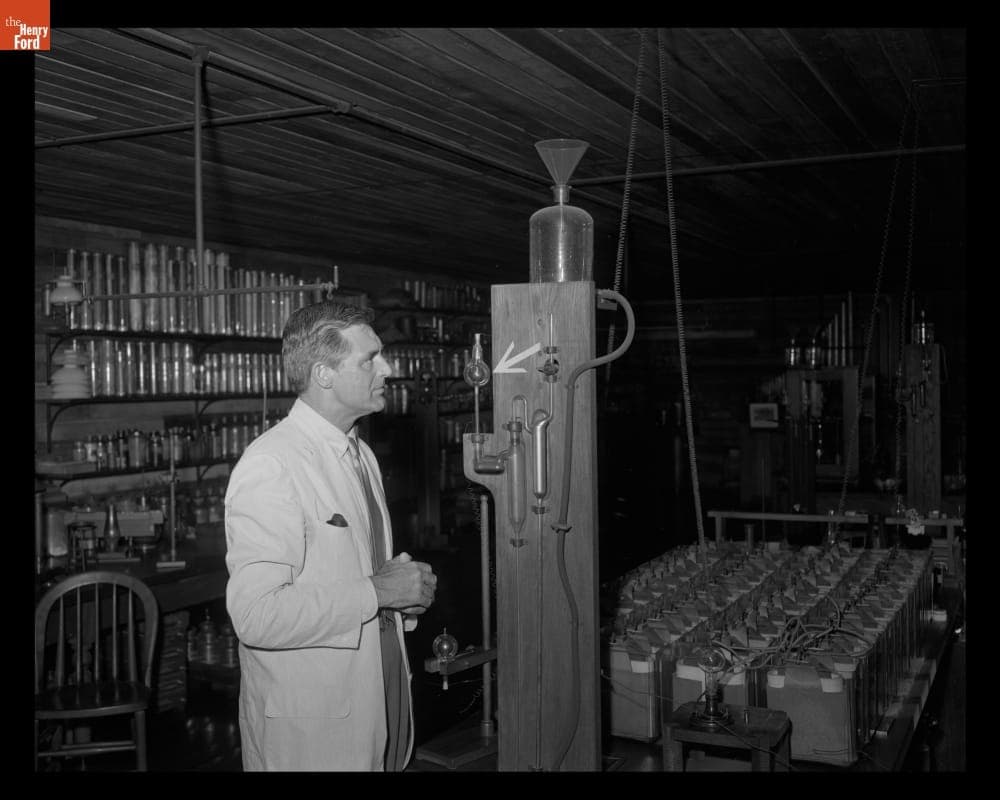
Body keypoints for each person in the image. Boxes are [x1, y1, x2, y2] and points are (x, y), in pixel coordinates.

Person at [224, 300, 437, 771]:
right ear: (324, 374)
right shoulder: (272, 464)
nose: (386, 368)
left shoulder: (360, 454)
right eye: (369, 359)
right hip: (313, 731)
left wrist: (400, 599)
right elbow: (256, 615)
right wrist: (378, 591)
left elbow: (356, 579)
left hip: (375, 700)